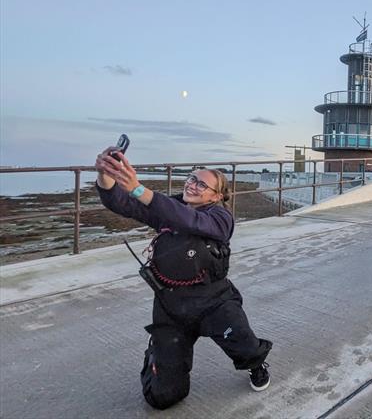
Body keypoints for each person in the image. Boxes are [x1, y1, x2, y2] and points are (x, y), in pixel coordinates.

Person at [94, 148, 272, 410]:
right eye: (191, 179)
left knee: (246, 348)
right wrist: (104, 174)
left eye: (202, 184)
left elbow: (191, 221)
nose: (192, 185)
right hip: (171, 306)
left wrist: (139, 189)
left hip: (215, 302)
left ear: (218, 195)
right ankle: (159, 354)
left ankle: (257, 365)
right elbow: (122, 203)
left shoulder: (221, 218)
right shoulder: (170, 207)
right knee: (162, 397)